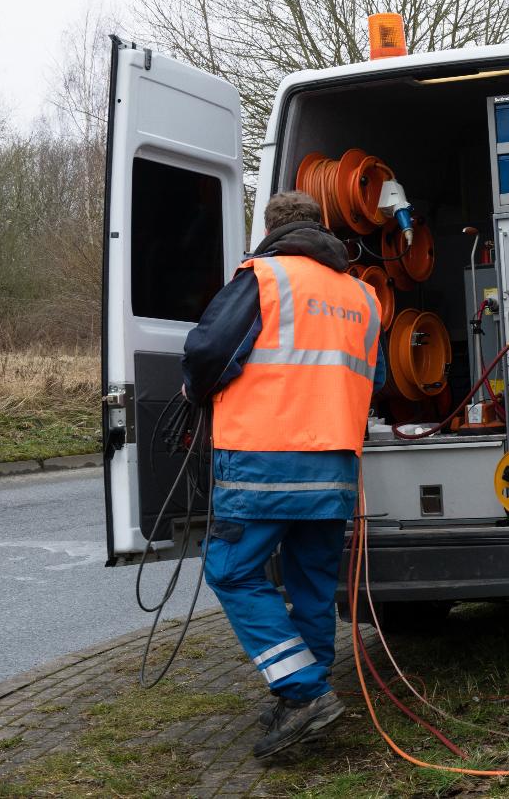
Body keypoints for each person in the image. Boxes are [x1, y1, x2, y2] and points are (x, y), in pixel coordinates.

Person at [182, 190, 386, 759]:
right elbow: (380, 378)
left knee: (230, 572)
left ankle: (303, 693)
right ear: (322, 229)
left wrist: (193, 390)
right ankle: (307, 704)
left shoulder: (263, 279)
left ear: (270, 231)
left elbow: (207, 353)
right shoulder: (363, 297)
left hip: (263, 462)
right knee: (313, 588)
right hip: (335, 469)